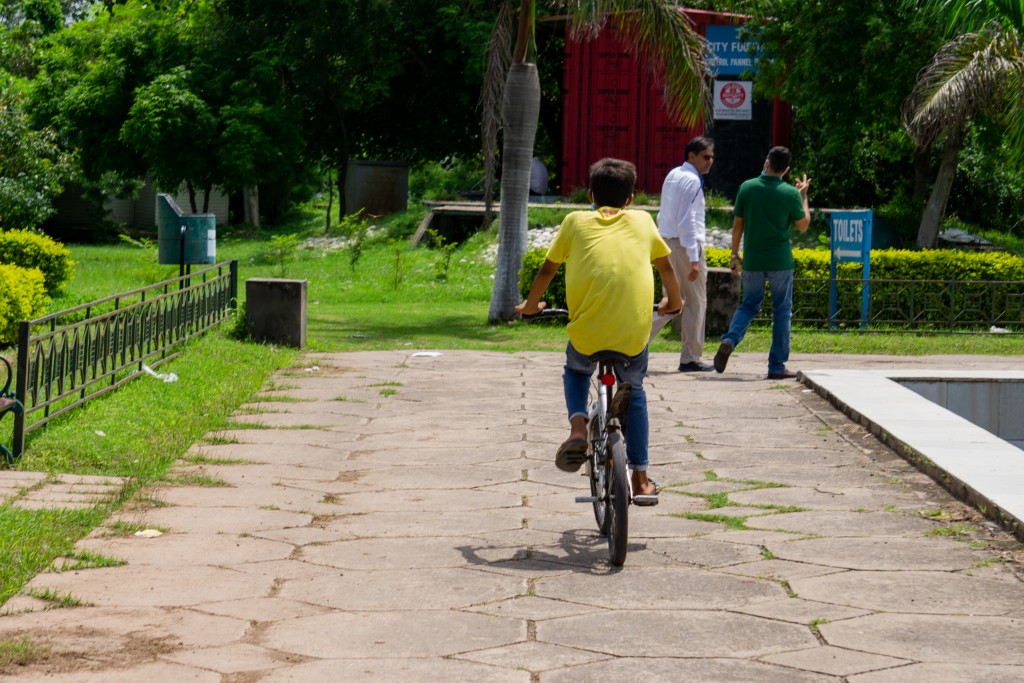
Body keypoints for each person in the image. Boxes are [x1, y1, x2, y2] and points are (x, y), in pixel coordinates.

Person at [515, 158, 683, 500]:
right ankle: (640, 478)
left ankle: (578, 428)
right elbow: (666, 267)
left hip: (588, 333)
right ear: (631, 198)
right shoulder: (642, 221)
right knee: (633, 389)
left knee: (576, 370)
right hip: (632, 334)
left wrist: (531, 305)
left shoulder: (574, 221)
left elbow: (548, 270)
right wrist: (673, 303)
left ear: (590, 194)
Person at [714, 146, 811, 380]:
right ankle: (776, 365)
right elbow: (803, 225)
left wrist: (734, 255)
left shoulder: (747, 188)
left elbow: (738, 224)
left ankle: (729, 340)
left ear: (766, 162)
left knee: (748, 305)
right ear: (786, 169)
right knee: (781, 311)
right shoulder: (789, 193)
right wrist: (804, 196)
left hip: (754, 260)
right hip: (780, 260)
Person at [650, 136, 715, 372]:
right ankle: (691, 357)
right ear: (692, 156)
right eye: (706, 157)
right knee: (695, 303)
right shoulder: (691, 181)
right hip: (686, 245)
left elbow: (665, 214)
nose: (710, 162)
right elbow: (688, 221)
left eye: (711, 157)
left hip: (666, 242)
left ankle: (632, 345)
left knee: (673, 303)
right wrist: (694, 259)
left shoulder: (673, 175)